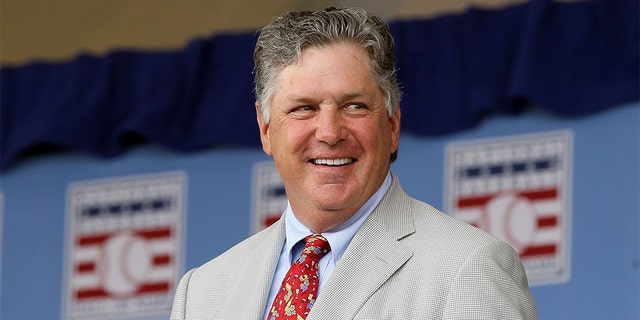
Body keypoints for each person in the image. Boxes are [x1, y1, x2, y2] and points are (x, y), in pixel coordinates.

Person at [171, 7, 539, 320]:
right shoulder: (201, 294)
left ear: (393, 123)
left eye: (354, 106)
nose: (330, 132)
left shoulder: (469, 267)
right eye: (304, 108)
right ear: (266, 128)